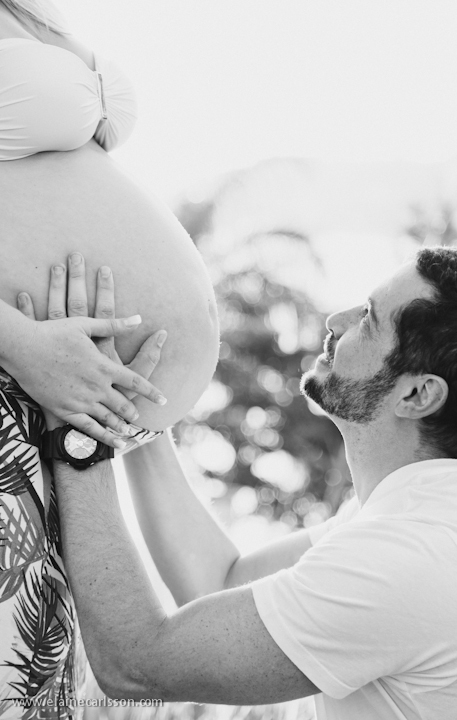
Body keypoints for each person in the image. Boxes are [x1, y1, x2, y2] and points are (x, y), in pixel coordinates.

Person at [31, 244, 457, 720]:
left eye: (368, 319)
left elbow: (135, 666)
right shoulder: (424, 515)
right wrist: (129, 403)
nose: (337, 321)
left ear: (418, 394)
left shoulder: (415, 555)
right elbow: (218, 582)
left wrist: (78, 417)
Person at [0, 0, 218, 714]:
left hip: (61, 418)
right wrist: (21, 343)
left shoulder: (36, 14)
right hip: (18, 378)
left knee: (31, 679)